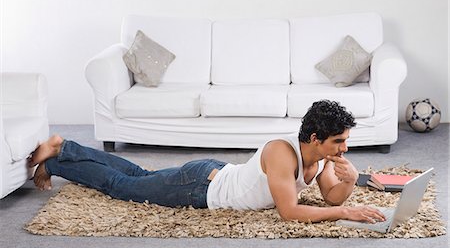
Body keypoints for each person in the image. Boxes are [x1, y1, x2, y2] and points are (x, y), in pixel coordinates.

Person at [29, 100, 386, 224]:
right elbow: (290, 212)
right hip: (201, 188)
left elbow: (331, 198)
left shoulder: (321, 158)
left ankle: (66, 147)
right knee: (125, 187)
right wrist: (344, 213)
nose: (344, 149)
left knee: (137, 174)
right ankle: (59, 161)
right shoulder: (282, 152)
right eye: (339, 142)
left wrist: (350, 181)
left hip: (212, 173)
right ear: (314, 139)